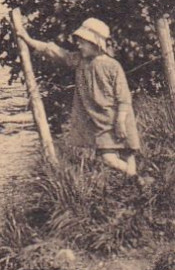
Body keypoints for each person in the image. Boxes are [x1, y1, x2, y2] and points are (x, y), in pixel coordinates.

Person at [14, 15, 142, 178]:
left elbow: (123, 96)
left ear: (95, 42)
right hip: (100, 121)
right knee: (108, 158)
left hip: (118, 118)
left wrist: (121, 120)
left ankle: (135, 181)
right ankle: (136, 178)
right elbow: (55, 51)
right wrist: (29, 40)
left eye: (82, 41)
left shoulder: (112, 66)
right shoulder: (80, 60)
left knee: (127, 153)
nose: (78, 44)